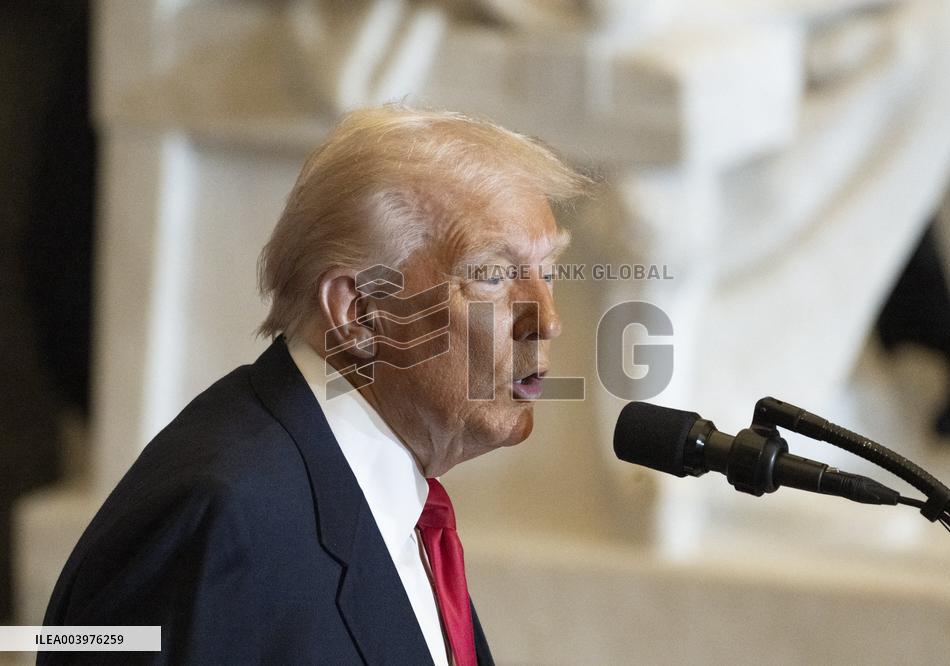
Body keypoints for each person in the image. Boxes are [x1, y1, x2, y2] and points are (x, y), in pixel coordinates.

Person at [40, 105, 588, 664]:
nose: (546, 320)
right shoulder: (219, 517)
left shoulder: (393, 504)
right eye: (492, 276)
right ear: (358, 314)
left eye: (547, 272)